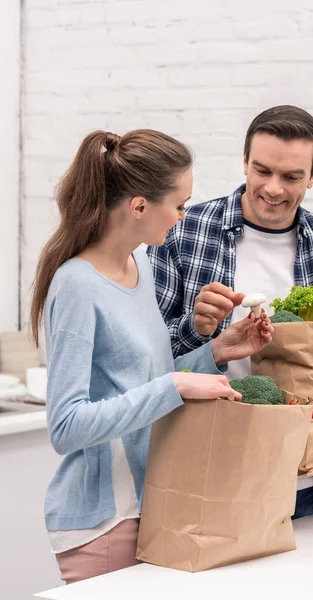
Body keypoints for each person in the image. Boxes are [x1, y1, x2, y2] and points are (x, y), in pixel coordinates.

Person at [30, 129, 274, 584]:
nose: (183, 217)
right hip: (107, 523)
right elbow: (65, 427)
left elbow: (144, 380)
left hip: (152, 503)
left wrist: (216, 352)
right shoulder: (77, 286)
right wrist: (175, 387)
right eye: (179, 205)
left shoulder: (137, 267)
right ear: (139, 206)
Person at [147, 105, 313, 518]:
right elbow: (140, 363)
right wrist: (195, 329)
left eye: (291, 176)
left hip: (305, 484)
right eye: (262, 170)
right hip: (203, 472)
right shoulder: (181, 233)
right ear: (244, 161)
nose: (273, 188)